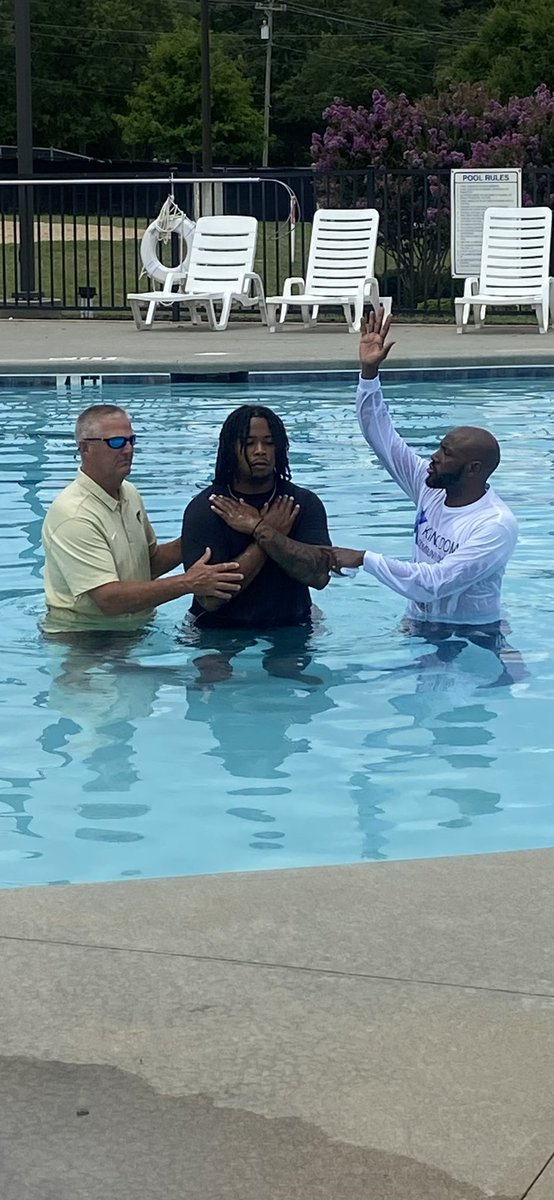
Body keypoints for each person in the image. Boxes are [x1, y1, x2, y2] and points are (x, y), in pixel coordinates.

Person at [331, 310, 521, 673]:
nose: (433, 458)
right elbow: (381, 437)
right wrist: (369, 373)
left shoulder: (493, 525)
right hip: (420, 625)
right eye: (439, 447)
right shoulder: (430, 485)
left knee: (467, 715)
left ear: (473, 470)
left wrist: (362, 558)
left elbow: (433, 584)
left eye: (446, 454)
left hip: (473, 635)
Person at [41, 403, 243, 634]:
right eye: (116, 442)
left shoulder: (129, 493)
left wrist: (212, 526)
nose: (127, 450)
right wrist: (188, 582)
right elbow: (108, 600)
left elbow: (150, 564)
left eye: (131, 440)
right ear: (85, 448)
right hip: (85, 640)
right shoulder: (73, 515)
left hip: (134, 631)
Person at [181, 403, 332, 629]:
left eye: (269, 443)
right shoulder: (207, 509)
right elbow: (211, 599)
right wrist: (267, 534)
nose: (260, 450)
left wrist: (259, 528)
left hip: (293, 624)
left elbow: (320, 577)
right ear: (231, 449)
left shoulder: (301, 503)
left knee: (289, 664)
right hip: (215, 627)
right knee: (213, 664)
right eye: (249, 443)